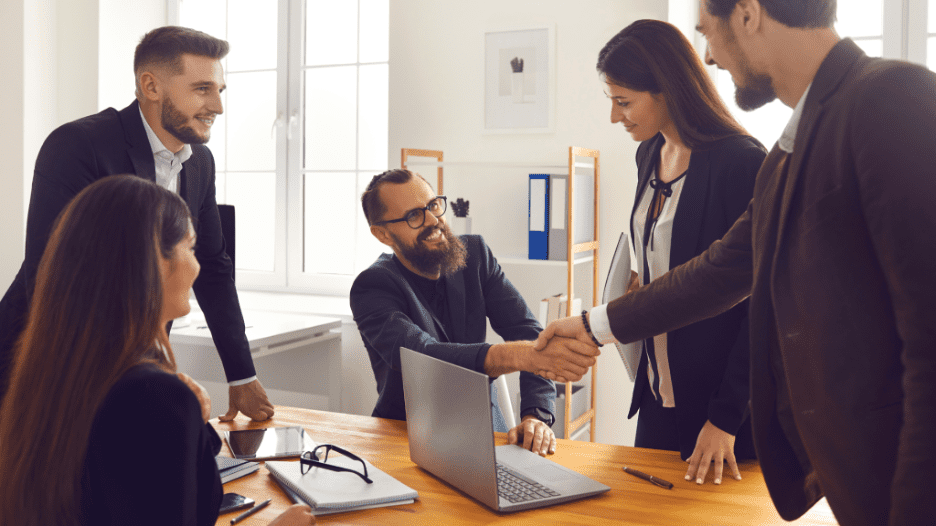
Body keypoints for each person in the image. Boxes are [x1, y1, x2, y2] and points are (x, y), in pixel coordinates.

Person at [536, 1, 936, 524]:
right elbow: (716, 274)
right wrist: (595, 325)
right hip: (852, 479)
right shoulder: (790, 151)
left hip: (896, 479)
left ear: (747, 14)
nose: (709, 55)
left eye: (708, 32)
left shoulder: (892, 96)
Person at [0, 176, 313, 525]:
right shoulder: (154, 395)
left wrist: (193, 420)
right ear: (154, 262)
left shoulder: (42, 373)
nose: (197, 267)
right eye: (191, 249)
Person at [0, 25, 273, 421]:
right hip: (42, 363)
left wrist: (241, 374)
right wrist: (147, 374)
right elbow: (51, 275)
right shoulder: (78, 146)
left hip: (129, 368)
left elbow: (212, 266)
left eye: (219, 90)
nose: (218, 105)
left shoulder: (199, 162)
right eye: (202, 89)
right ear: (150, 86)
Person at [596, 19, 766, 483]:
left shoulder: (742, 163)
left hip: (721, 416)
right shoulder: (648, 153)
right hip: (655, 397)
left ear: (667, 89)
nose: (615, 116)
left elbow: (764, 305)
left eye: (624, 101)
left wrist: (727, 416)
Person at [350, 169, 600, 456]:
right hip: (406, 437)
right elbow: (423, 356)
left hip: (484, 426)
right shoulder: (372, 287)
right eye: (414, 216)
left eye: (433, 205)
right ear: (383, 234)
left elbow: (530, 334)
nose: (434, 221)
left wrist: (536, 416)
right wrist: (520, 355)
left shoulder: (475, 255)